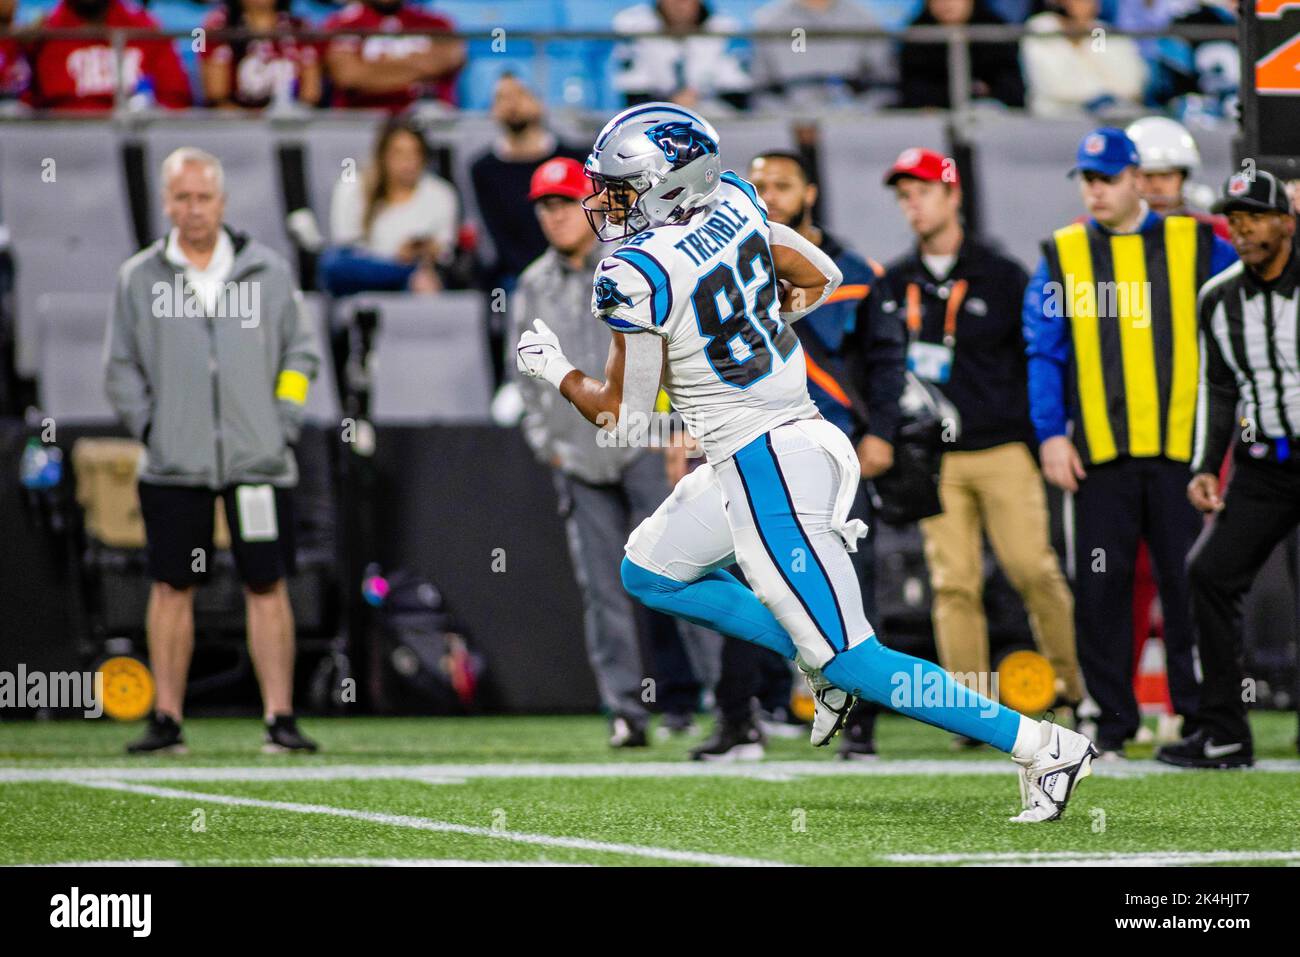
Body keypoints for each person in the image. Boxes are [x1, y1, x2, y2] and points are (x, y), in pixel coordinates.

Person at [516, 102, 1098, 823]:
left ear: (667, 185)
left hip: (767, 467)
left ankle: (1041, 742)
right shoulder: (732, 200)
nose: (602, 201)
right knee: (650, 569)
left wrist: (554, 370)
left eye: (619, 187)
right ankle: (813, 656)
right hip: (787, 441)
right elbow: (822, 274)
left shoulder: (636, 271)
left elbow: (623, 414)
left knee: (856, 655)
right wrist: (754, 318)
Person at [1022, 127, 1236, 758]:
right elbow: (1044, 351)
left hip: (1181, 452)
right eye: (1087, 180)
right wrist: (1051, 434)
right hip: (1099, 456)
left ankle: (1201, 720)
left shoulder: (1198, 242)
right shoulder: (1063, 253)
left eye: (1107, 178)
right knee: (1103, 588)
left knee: (1188, 583)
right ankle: (1110, 721)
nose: (1095, 191)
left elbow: (1236, 319)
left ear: (1139, 179)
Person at [104, 147, 321, 754]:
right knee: (172, 587)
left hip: (259, 461)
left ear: (222, 202)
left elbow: (301, 357)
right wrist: (154, 430)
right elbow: (120, 370)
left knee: (267, 584)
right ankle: (167, 718)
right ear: (166, 201)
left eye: (203, 197)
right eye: (181, 197)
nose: (193, 209)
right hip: (175, 464)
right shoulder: (138, 278)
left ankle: (279, 717)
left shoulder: (269, 273)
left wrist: (280, 423)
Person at [873, 147, 1085, 749]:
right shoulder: (895, 280)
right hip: (932, 458)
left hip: (1000, 448)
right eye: (903, 195)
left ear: (952, 194)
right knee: (953, 584)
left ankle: (1072, 692)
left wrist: (1045, 433)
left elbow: (1038, 359)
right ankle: (971, 712)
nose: (912, 204)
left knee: (1032, 570)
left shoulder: (1002, 273)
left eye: (921, 191)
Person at [509, 157, 721, 747]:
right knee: (604, 591)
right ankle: (626, 709)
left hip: (646, 445)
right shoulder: (532, 285)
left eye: (566, 202)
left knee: (686, 572)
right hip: (579, 456)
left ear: (593, 203)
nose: (556, 215)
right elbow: (525, 374)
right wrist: (547, 443)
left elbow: (676, 351)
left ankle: (725, 698)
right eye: (545, 206)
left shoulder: (634, 263)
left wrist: (677, 430)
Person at [702, 148, 904, 761]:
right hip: (749, 442)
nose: (768, 192)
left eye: (782, 184)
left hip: (832, 446)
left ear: (809, 192)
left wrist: (883, 434)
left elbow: (888, 361)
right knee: (741, 576)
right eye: (757, 183)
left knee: (851, 582)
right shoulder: (719, 266)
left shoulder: (856, 270)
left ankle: (862, 725)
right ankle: (739, 719)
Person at [1158, 170, 1300, 768]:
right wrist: (1203, 465)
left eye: (1255, 215)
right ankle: (1224, 731)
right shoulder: (1218, 297)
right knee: (1209, 573)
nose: (1242, 228)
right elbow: (1217, 388)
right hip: (1264, 462)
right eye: (1234, 217)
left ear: (1286, 221)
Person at [469, 73, 589, 294]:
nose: (512, 104)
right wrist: (535, 276)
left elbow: (587, 221)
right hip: (515, 277)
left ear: (540, 102)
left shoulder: (574, 158)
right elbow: (494, 234)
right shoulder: (483, 169)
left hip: (577, 268)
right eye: (502, 98)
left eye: (520, 94)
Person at [318, 117, 459, 296]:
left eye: (414, 153)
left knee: (423, 284)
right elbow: (346, 246)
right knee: (332, 264)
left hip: (410, 284)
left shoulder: (441, 193)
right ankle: (405, 271)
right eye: (399, 153)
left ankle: (406, 275)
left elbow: (445, 253)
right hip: (360, 277)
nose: (408, 162)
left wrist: (423, 250)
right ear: (383, 156)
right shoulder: (353, 187)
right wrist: (398, 261)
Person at [26, 0, 191, 110]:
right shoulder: (43, 34)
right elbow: (28, 103)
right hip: (64, 141)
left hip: (132, 137)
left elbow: (175, 99)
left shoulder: (146, 29)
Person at [322, 0, 465, 111]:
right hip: (361, 122)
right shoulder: (342, 24)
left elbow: (452, 58)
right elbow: (348, 76)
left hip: (427, 121)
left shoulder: (437, 23)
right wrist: (421, 66)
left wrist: (375, 68)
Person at [751, 0, 895, 110]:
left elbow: (885, 87)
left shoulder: (865, 18)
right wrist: (792, 120)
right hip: (786, 127)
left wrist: (855, 115)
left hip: (855, 126)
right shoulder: (769, 21)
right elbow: (759, 91)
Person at [611, 0, 751, 110]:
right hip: (654, 114)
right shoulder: (632, 25)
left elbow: (737, 96)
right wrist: (672, 104)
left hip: (711, 114)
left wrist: (695, 100)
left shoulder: (727, 26)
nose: (679, 5)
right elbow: (633, 95)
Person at [1021, 0, 1146, 118]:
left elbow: (1129, 84)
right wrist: (1097, 91)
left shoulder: (1099, 31)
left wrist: (1084, 35)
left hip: (1109, 112)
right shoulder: (1042, 29)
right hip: (1057, 118)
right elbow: (1057, 87)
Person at [898, 0, 1025, 110]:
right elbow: (913, 92)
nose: (946, 3)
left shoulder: (996, 32)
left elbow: (1012, 91)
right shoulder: (915, 36)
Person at [199, 0, 322, 109]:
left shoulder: (300, 27)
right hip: (235, 124)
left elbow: (311, 94)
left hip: (289, 123)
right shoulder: (218, 27)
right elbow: (217, 95)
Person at [1125, 116, 1229, 238]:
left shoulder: (1215, 232)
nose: (1157, 187)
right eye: (1148, 176)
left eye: (1166, 176)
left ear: (1184, 179)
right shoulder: (1109, 236)